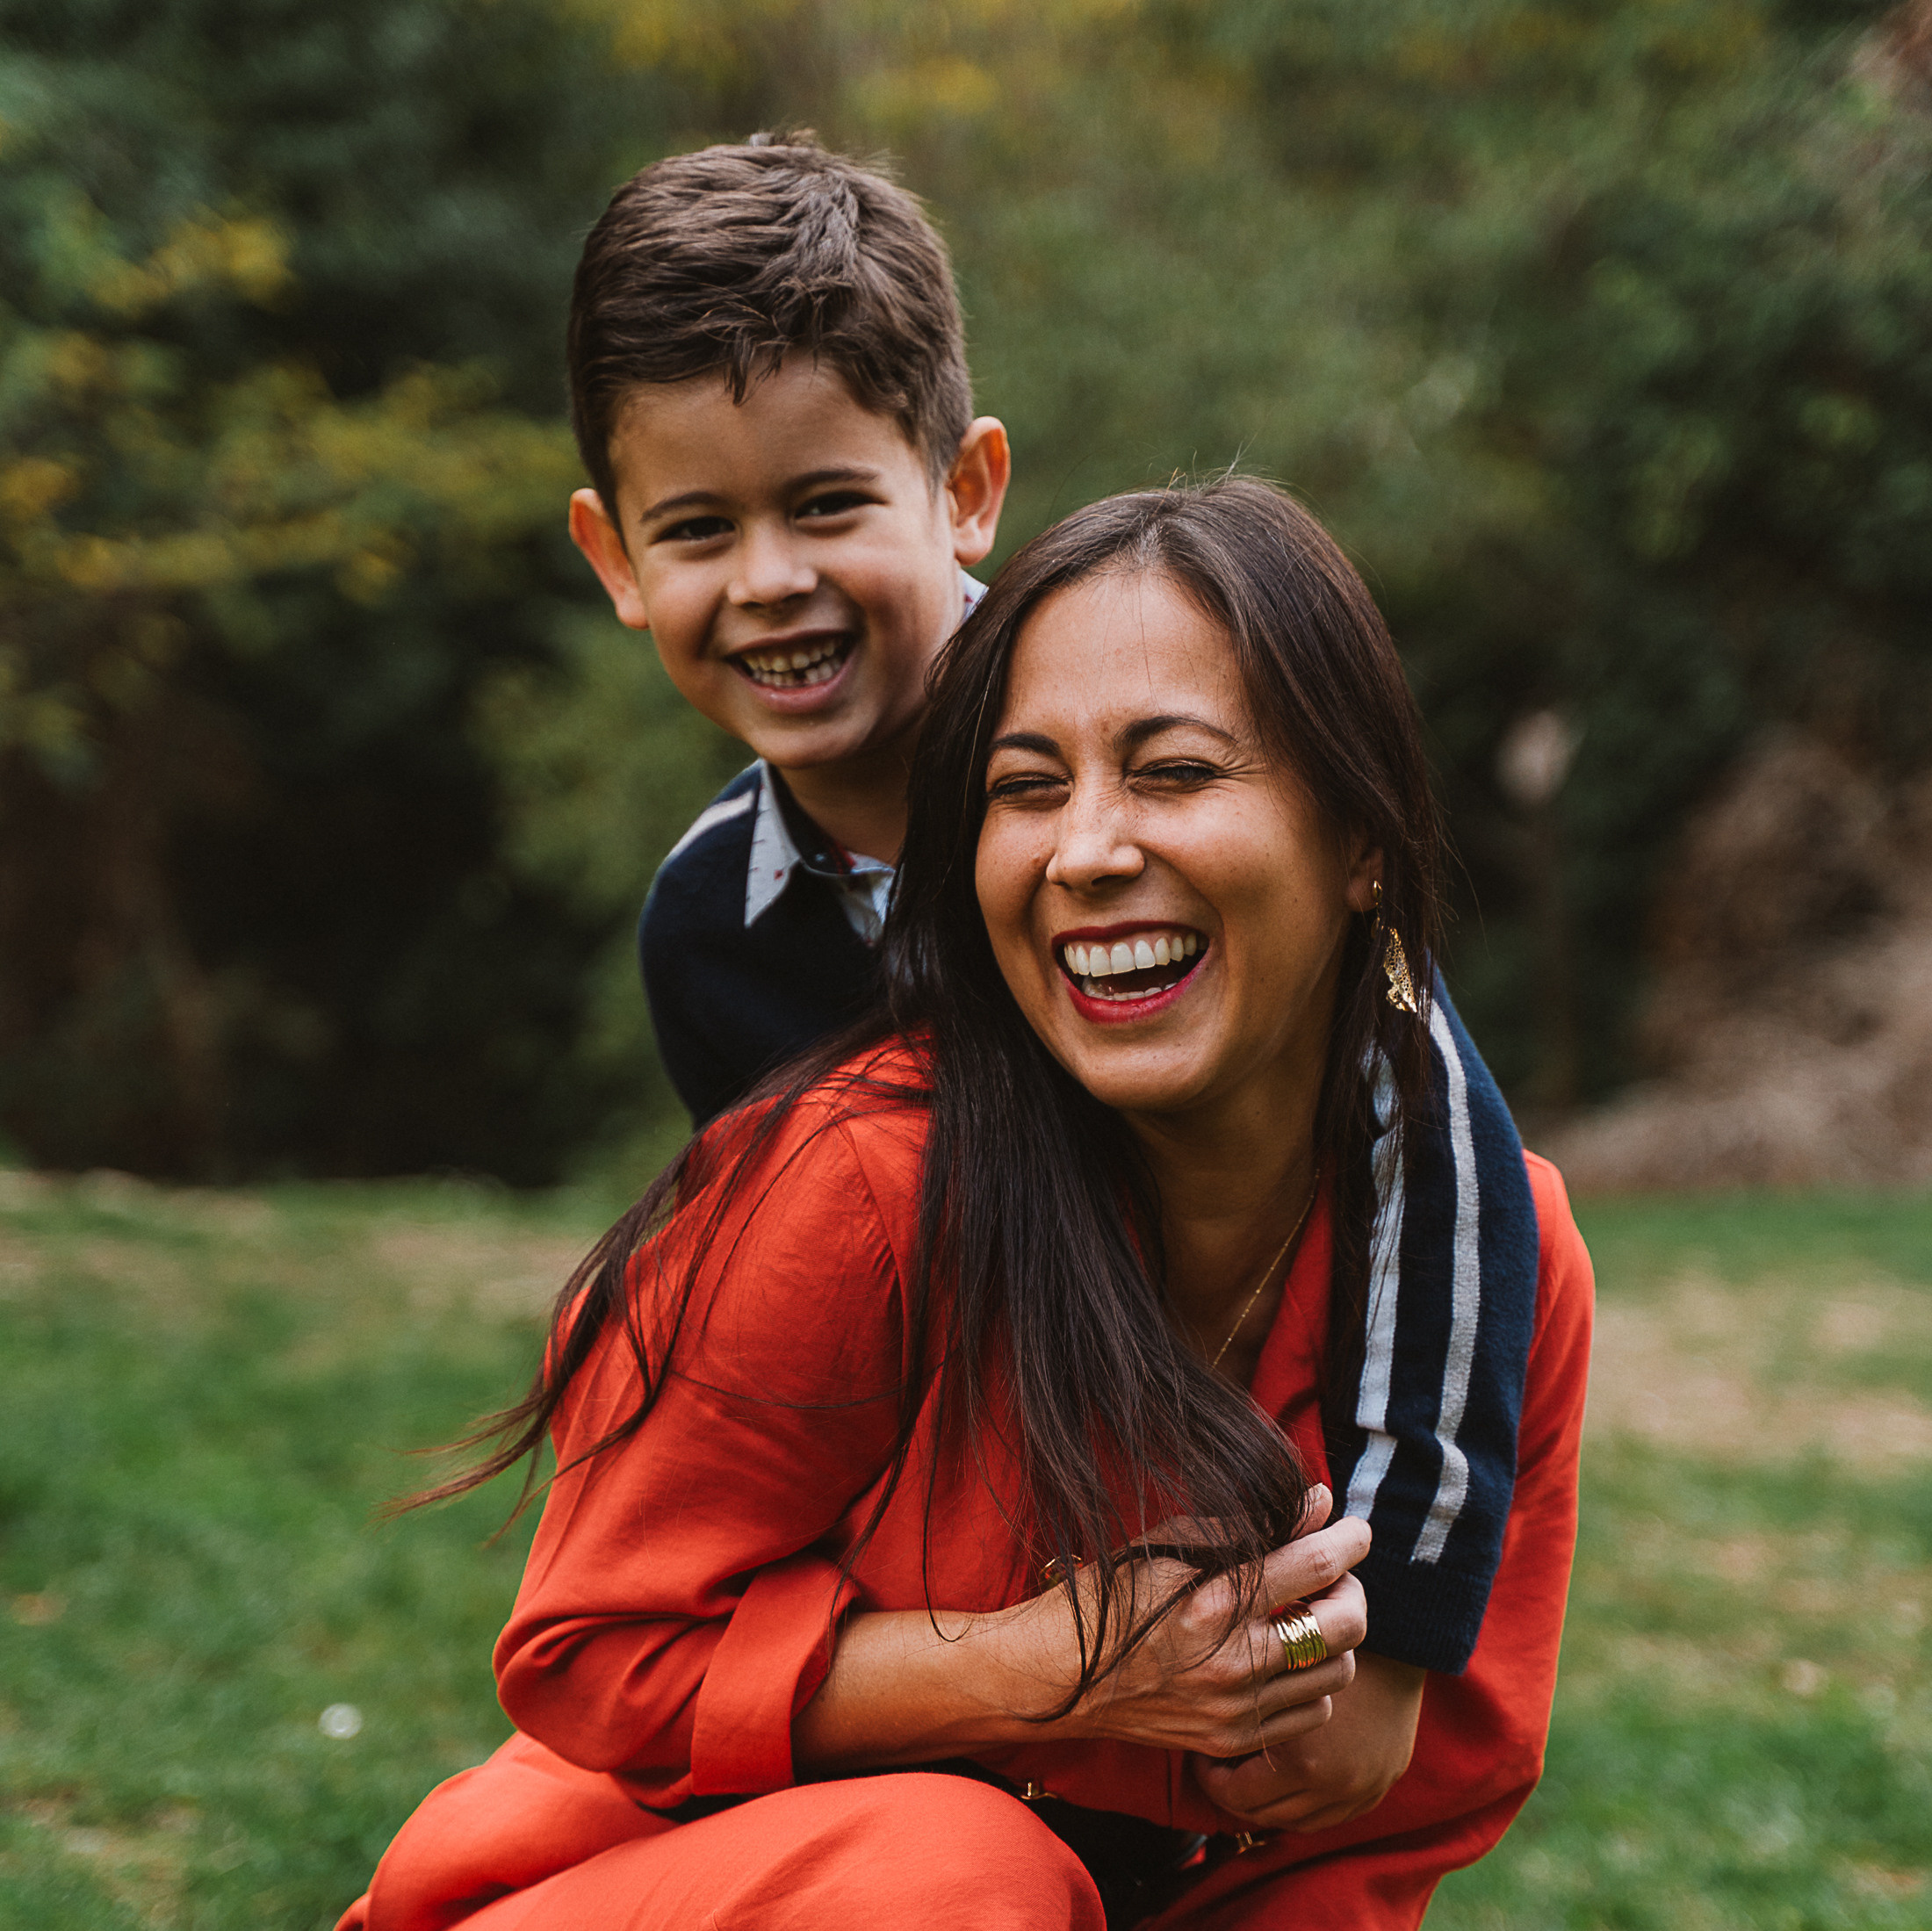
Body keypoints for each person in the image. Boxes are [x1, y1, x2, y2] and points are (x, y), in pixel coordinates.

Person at [338, 479, 1593, 1931]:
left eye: (1175, 772)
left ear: (1363, 841)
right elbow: (595, 1653)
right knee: (963, 1880)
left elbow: (1388, 1823)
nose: (1087, 850)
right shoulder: (861, 1174)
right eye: (1025, 786)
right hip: (668, 1892)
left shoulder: (1497, 1263)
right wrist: (1044, 1662)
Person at [563, 133, 1544, 1689]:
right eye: (698, 531)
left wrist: (1402, 1630)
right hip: (972, 1542)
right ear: (615, 558)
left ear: (965, 492)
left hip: (1228, 1445)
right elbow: (789, 1279)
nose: (769, 582)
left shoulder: (1122, 779)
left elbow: (1414, 1080)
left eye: (827, 506)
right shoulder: (711, 927)